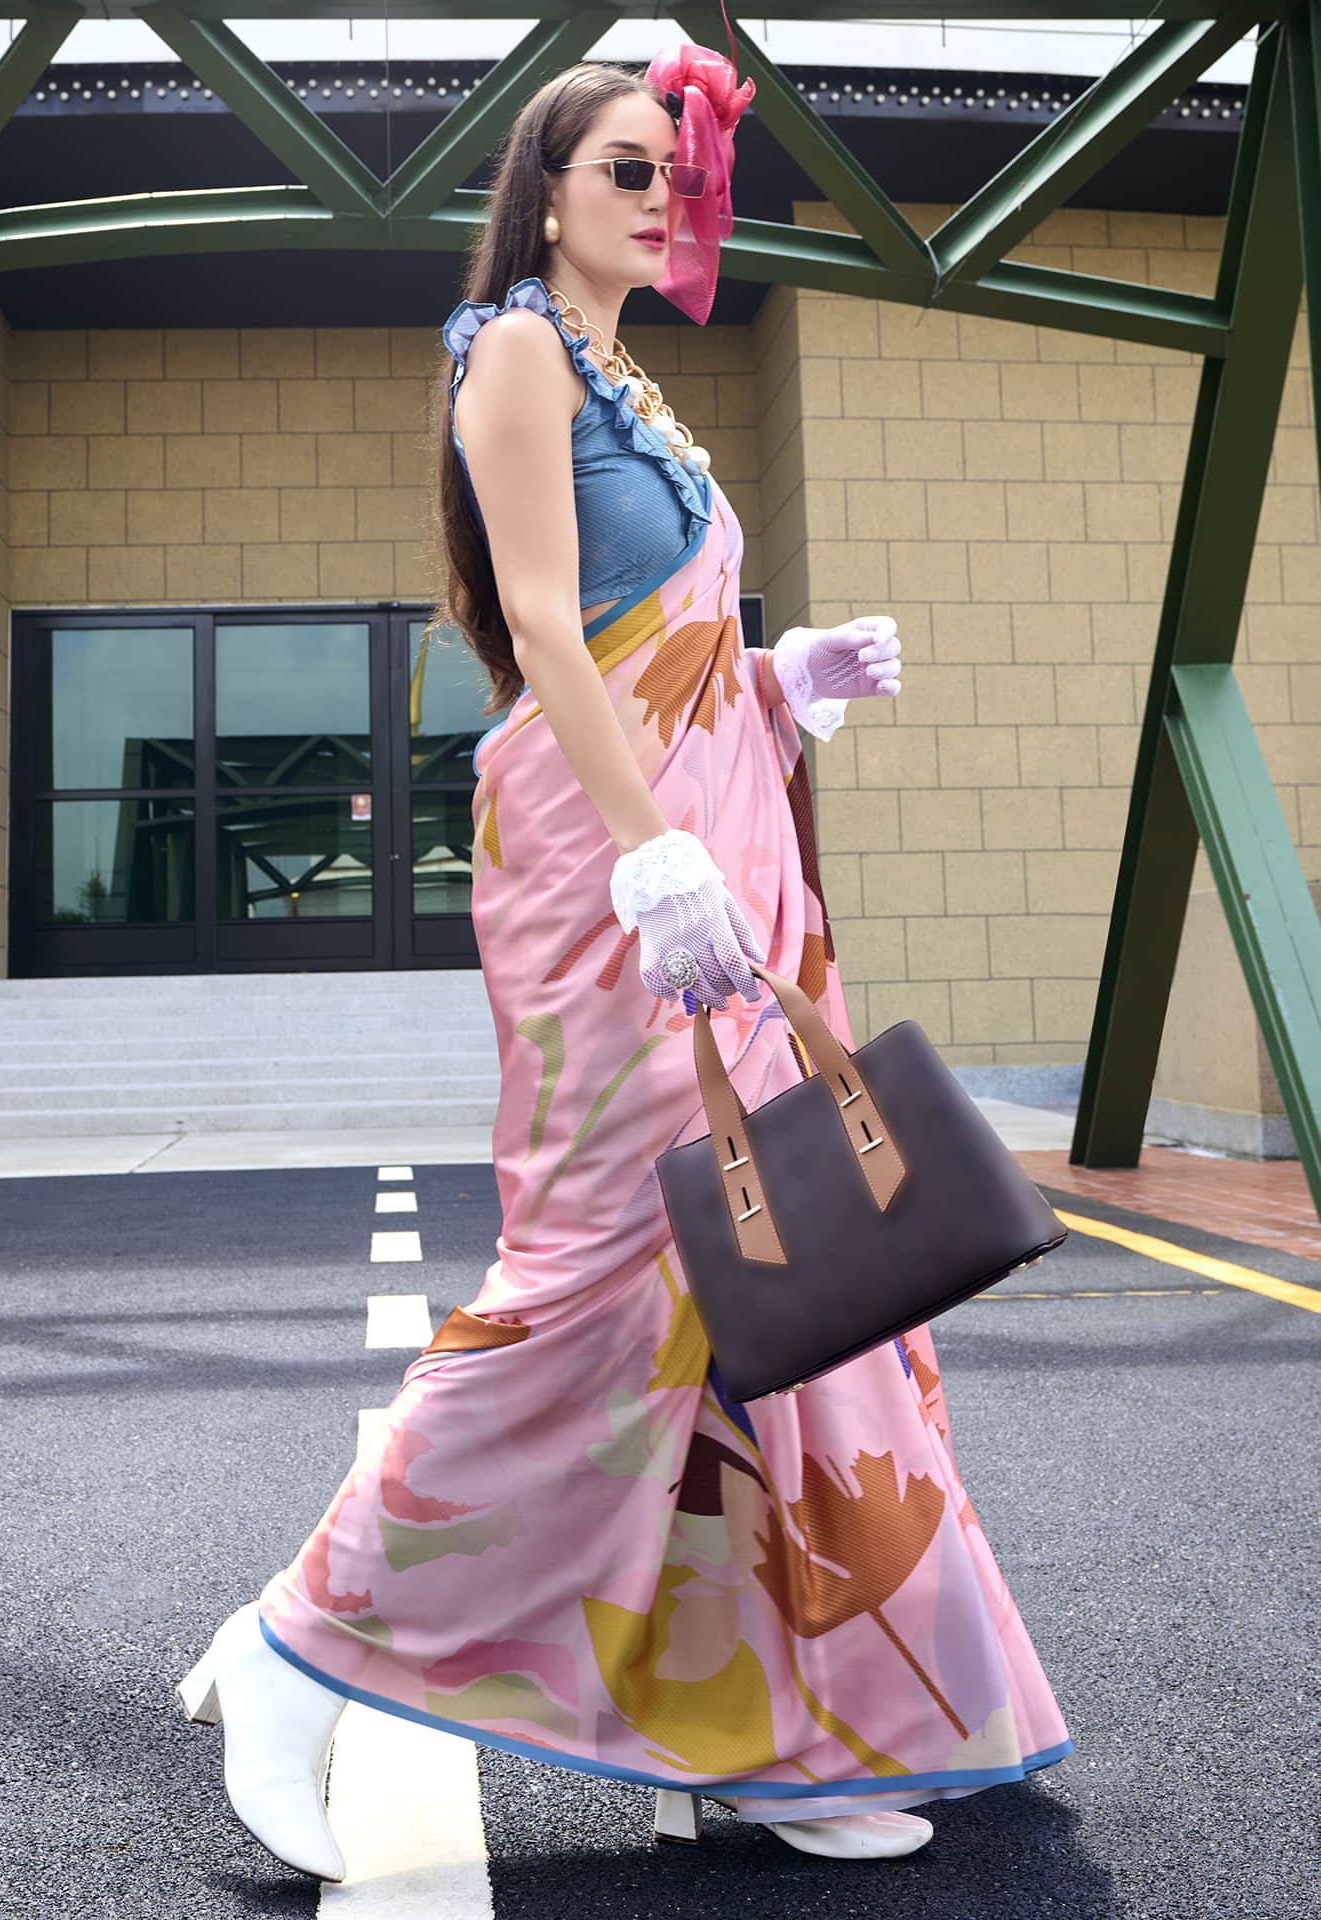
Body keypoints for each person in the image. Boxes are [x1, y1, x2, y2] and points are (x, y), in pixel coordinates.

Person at [175, 39, 1072, 1882]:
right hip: (606, 875)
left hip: (682, 851)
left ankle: (755, 1737)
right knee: (609, 1272)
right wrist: (656, 846)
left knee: (739, 1293)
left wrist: (779, 675)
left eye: (672, 166)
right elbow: (534, 627)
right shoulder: (509, 345)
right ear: (546, 186)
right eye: (620, 164)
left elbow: (657, 638)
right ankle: (298, 1645)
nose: (658, 191)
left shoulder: (627, 378)